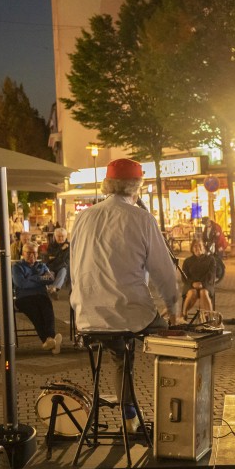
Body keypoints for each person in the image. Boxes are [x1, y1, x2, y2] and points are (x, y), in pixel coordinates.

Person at [70, 158, 179, 432]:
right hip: (129, 312)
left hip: (87, 315)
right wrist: (173, 307)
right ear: (137, 187)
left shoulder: (83, 217)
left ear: (107, 185)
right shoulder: (141, 218)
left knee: (120, 353)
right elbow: (162, 271)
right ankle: (175, 416)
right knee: (177, 347)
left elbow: (73, 265)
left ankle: (130, 417)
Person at [12, 242, 62, 354]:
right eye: (29, 253)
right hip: (24, 298)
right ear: (23, 253)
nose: (32, 256)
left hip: (41, 296)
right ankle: (50, 340)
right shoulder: (17, 267)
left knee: (48, 312)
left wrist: (30, 278)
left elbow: (50, 278)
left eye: (34, 253)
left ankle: (49, 340)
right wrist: (40, 279)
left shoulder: (42, 266)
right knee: (36, 314)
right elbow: (21, 284)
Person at [181, 239, 217, 317]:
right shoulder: (187, 261)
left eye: (200, 245)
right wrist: (192, 283)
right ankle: (184, 314)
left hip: (206, 284)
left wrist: (202, 284)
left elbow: (211, 275)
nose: (198, 248)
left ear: (204, 248)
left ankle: (208, 317)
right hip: (191, 285)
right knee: (192, 293)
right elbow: (184, 277)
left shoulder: (211, 259)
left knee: (203, 292)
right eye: (195, 246)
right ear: (192, 249)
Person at [45, 228, 70, 298]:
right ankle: (52, 290)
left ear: (66, 237)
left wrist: (55, 257)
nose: (61, 238)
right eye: (59, 236)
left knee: (63, 272)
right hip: (52, 266)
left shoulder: (69, 246)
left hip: (62, 266)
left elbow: (65, 259)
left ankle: (53, 289)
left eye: (63, 236)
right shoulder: (51, 245)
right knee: (50, 274)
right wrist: (61, 249)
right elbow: (49, 256)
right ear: (55, 237)